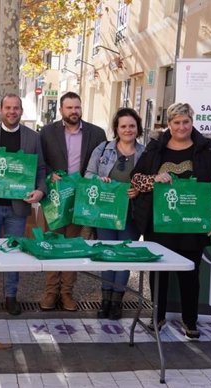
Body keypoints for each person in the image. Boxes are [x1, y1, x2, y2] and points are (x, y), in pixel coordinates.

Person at [131, 102, 211, 340]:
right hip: (160, 223)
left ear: (192, 122)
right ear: (169, 124)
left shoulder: (206, 149)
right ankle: (158, 316)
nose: (182, 126)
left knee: (190, 274)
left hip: (193, 224)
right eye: (176, 122)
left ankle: (190, 320)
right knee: (159, 274)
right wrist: (155, 179)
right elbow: (136, 179)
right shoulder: (155, 148)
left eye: (186, 121)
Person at [0, 93, 47, 315]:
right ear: (1, 110)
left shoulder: (33, 137)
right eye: (8, 108)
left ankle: (10, 296)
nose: (12, 112)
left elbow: (41, 168)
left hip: (18, 207)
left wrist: (40, 191)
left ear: (21, 111)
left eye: (16, 108)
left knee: (14, 253)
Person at [38, 91, 106, 311]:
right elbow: (40, 162)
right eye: (69, 108)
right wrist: (49, 175)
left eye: (77, 107)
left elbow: (102, 164)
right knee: (52, 244)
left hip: (80, 199)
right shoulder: (47, 132)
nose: (74, 111)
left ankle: (67, 293)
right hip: (56, 198)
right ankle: (50, 292)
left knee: (73, 246)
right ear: (61, 110)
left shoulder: (97, 134)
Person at [85, 108, 145, 320]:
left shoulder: (144, 153)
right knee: (107, 255)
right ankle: (105, 301)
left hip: (132, 214)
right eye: (123, 126)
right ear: (116, 129)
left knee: (123, 256)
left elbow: (150, 182)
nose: (128, 130)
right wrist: (99, 181)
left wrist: (138, 189)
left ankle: (117, 301)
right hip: (106, 213)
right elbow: (89, 175)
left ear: (137, 128)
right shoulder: (103, 150)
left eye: (132, 126)